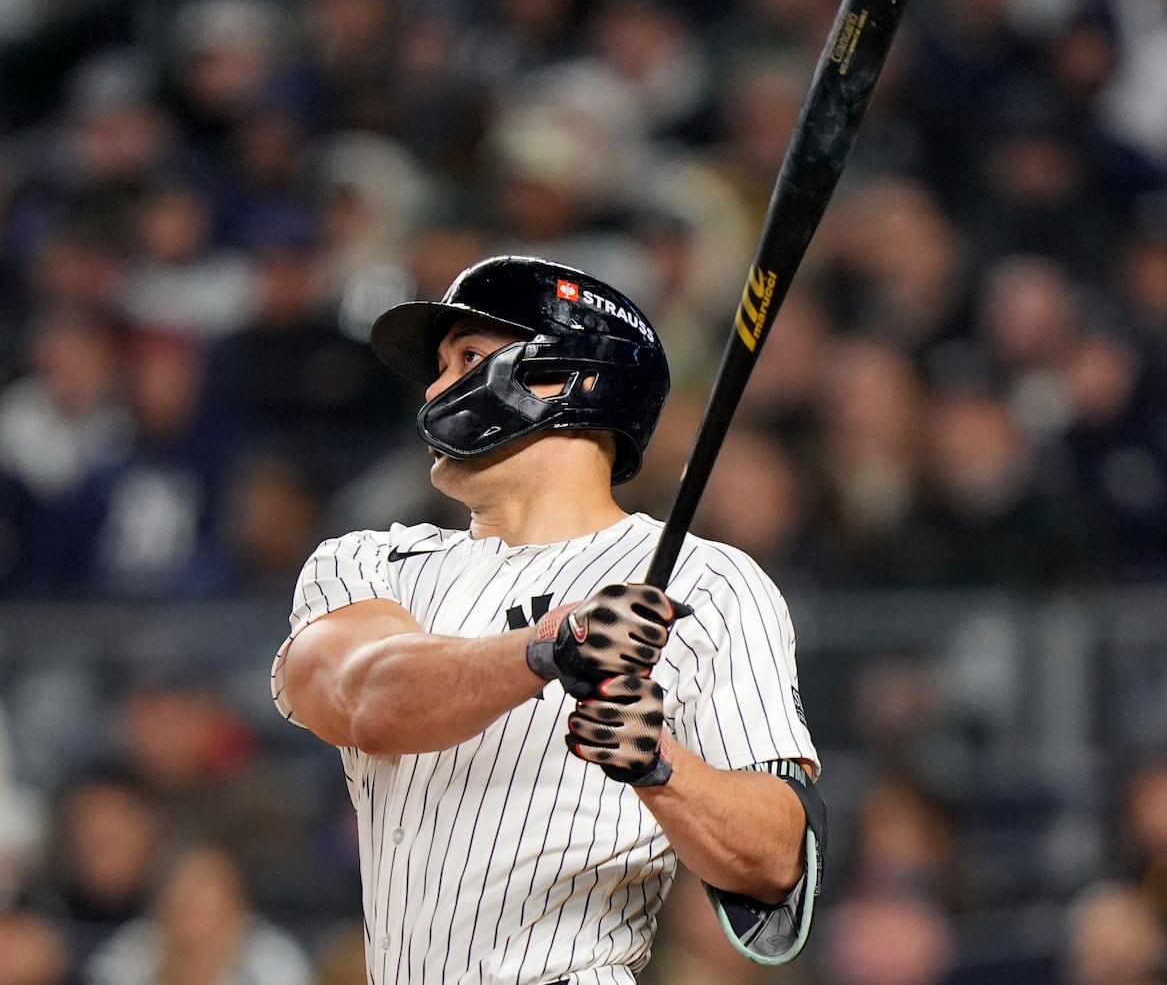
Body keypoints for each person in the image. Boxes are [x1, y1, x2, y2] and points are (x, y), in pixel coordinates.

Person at [270, 256, 825, 984]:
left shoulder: (709, 581)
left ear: (567, 375)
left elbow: (776, 860)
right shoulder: (372, 562)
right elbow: (363, 698)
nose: (436, 389)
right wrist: (547, 647)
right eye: (437, 367)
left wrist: (658, 764)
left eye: (468, 357)